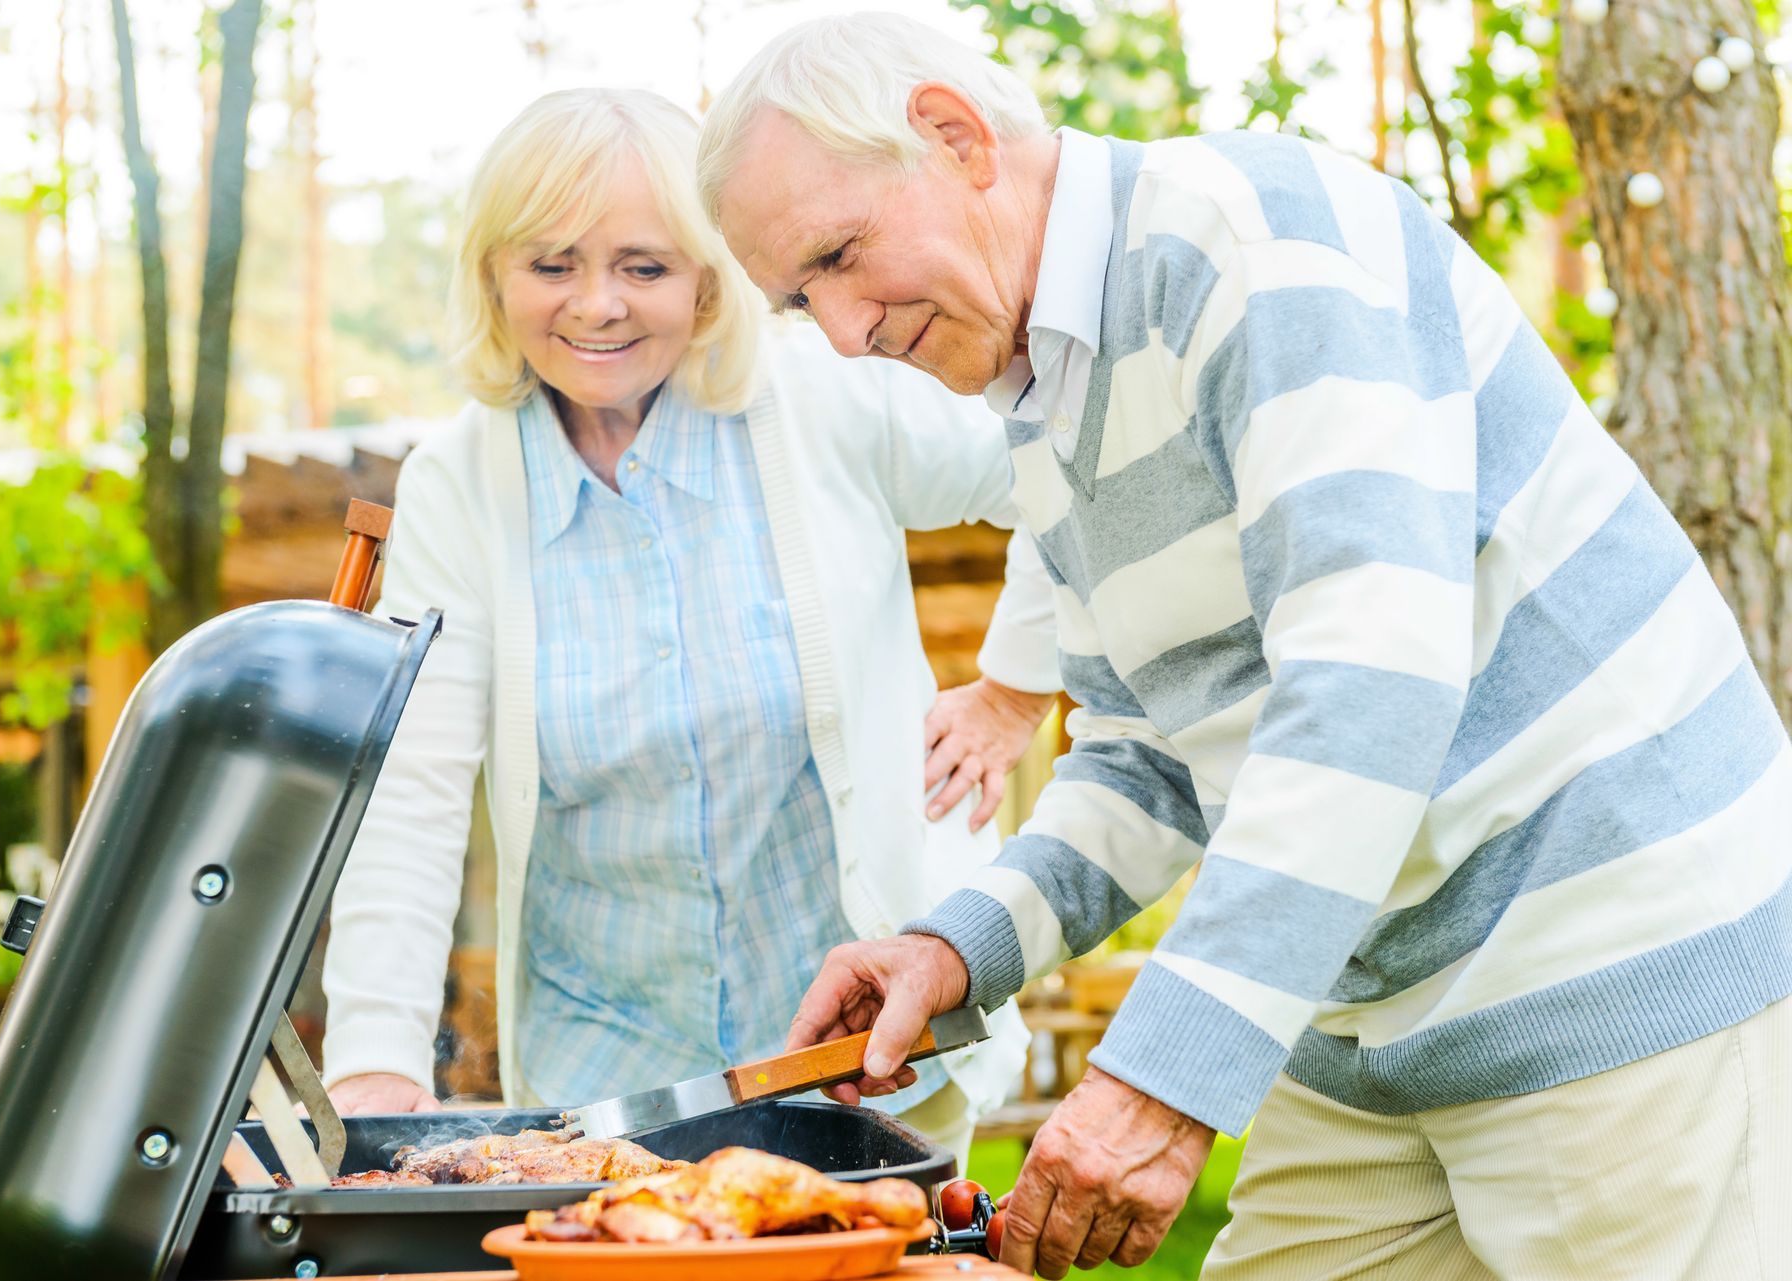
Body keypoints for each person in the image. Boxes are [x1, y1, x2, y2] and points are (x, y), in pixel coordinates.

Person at [698, 15, 1792, 1279]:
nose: (840, 332)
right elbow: (1148, 757)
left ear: (953, 137)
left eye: (840, 256)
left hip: (1614, 968)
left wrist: (1162, 1076)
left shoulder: (1258, 245)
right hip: (1372, 1015)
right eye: (799, 297)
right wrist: (956, 950)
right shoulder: (1043, 393)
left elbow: (1369, 684)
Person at [320, 88, 1061, 1162]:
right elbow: (413, 795)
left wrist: (1016, 686)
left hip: (860, 1065)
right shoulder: (457, 488)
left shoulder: (823, 394)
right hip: (607, 1087)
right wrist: (377, 1066)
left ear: (710, 278)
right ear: (493, 275)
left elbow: (1061, 460)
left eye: (645, 266)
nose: (598, 305)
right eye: (551, 265)